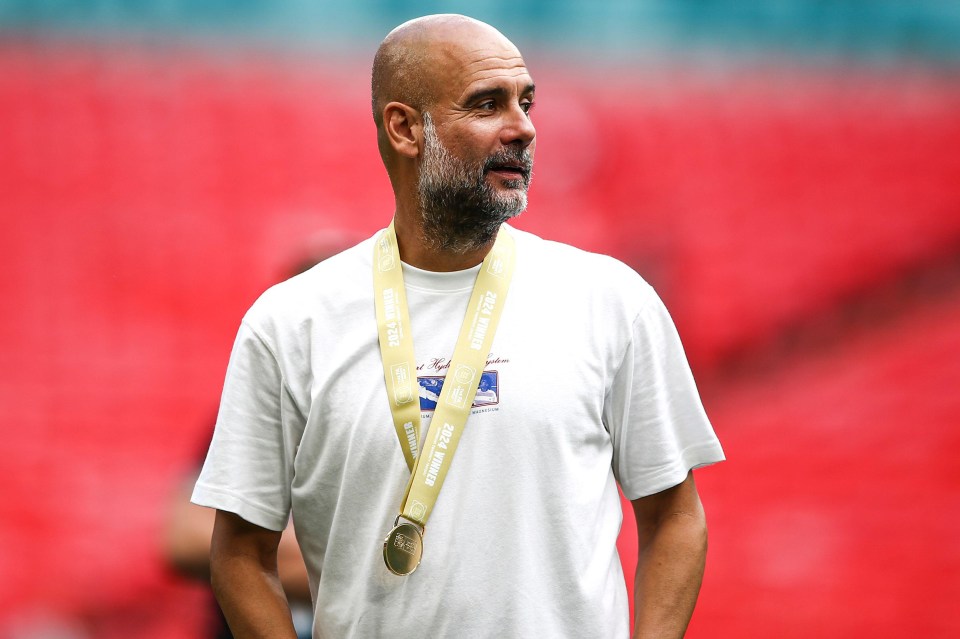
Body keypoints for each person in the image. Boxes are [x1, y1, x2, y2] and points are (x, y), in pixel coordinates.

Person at [192, 13, 724, 639]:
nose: (522, 128)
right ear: (405, 128)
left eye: (525, 103)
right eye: (486, 105)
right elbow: (238, 552)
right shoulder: (291, 323)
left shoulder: (610, 301)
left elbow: (677, 518)